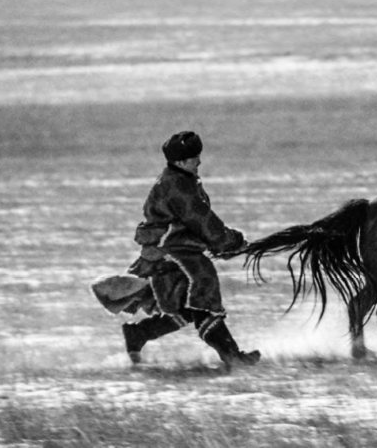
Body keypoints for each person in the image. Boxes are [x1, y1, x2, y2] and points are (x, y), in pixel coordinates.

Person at [92, 130, 260, 369]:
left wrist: (227, 242)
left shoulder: (180, 179)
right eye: (194, 159)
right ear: (180, 162)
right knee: (202, 285)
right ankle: (232, 356)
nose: (199, 162)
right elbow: (202, 221)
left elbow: (198, 224)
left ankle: (139, 334)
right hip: (172, 252)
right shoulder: (178, 186)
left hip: (171, 250)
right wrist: (230, 241)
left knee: (187, 306)